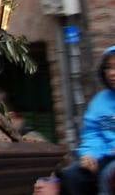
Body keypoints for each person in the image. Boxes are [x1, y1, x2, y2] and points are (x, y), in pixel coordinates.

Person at [58, 46, 115, 195]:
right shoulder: (100, 102)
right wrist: (90, 154)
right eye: (108, 67)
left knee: (110, 175)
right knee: (71, 176)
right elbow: (92, 133)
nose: (111, 73)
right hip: (105, 157)